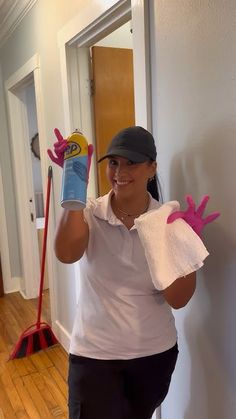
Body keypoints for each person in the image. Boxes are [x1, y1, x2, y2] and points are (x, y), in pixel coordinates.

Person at [48, 126, 219, 419]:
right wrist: (73, 184)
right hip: (94, 356)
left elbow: (177, 299)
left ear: (152, 168)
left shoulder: (165, 222)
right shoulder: (89, 212)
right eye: (113, 162)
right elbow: (66, 253)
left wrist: (186, 247)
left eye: (131, 163)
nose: (119, 171)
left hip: (153, 356)